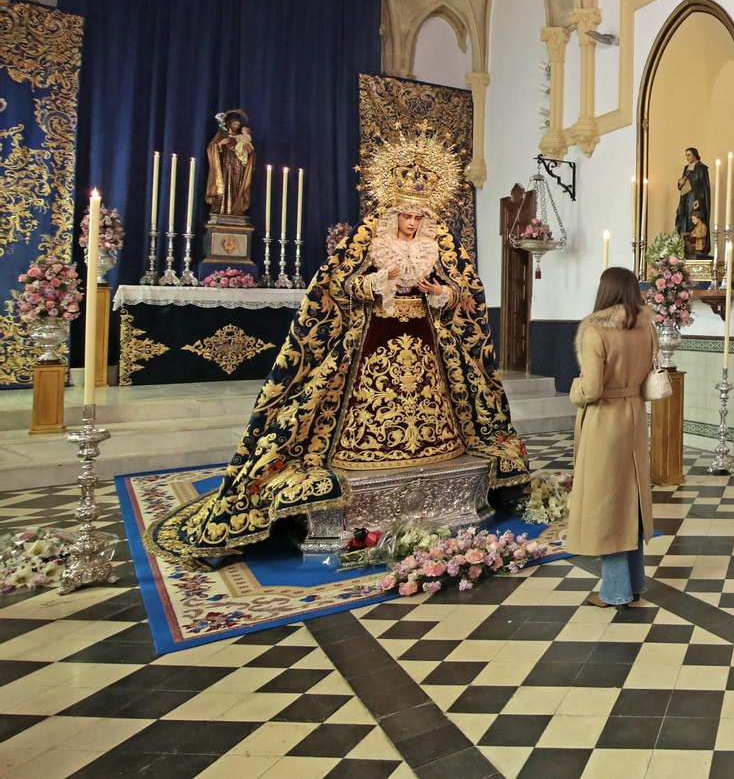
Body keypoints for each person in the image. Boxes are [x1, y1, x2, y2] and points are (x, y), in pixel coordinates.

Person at [150, 140, 528, 559]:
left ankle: (435, 450)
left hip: (427, 339)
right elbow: (339, 285)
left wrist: (442, 291)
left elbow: (465, 291)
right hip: (373, 337)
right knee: (361, 400)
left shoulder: (438, 243)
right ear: (392, 211)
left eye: (419, 216)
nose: (412, 222)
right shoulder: (369, 238)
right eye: (406, 214)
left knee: (433, 399)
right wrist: (378, 280)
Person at [569, 267, 659, 608]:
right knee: (630, 499)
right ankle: (635, 582)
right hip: (634, 416)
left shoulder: (595, 330)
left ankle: (615, 590)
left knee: (607, 503)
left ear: (604, 291)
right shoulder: (647, 327)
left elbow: (590, 389)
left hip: (605, 421)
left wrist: (575, 390)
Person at [205, 108, 255, 216]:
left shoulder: (241, 137)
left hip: (238, 166)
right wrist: (220, 144)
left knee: (237, 187)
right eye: (235, 124)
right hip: (223, 166)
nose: (236, 126)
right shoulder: (221, 135)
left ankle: (236, 210)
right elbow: (211, 148)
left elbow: (250, 151)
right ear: (229, 124)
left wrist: (248, 151)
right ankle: (221, 210)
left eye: (238, 125)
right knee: (222, 186)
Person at [675, 147, 712, 241]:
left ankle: (694, 243)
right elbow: (682, 185)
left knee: (693, 218)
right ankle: (684, 241)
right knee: (684, 219)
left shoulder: (701, 168)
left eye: (689, 155)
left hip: (695, 197)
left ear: (695, 155)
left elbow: (703, 186)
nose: (687, 158)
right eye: (686, 156)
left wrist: (699, 199)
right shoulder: (686, 168)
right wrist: (680, 182)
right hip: (685, 198)